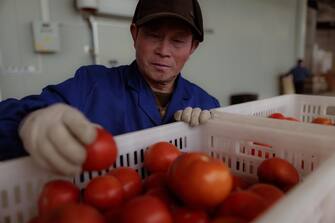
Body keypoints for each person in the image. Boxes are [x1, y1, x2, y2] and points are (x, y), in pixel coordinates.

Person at [0, 0, 220, 175]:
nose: (163, 50)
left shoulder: (207, 106)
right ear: (134, 34)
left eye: (178, 41)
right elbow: (6, 117)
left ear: (193, 47)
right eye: (153, 35)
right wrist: (28, 122)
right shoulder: (91, 85)